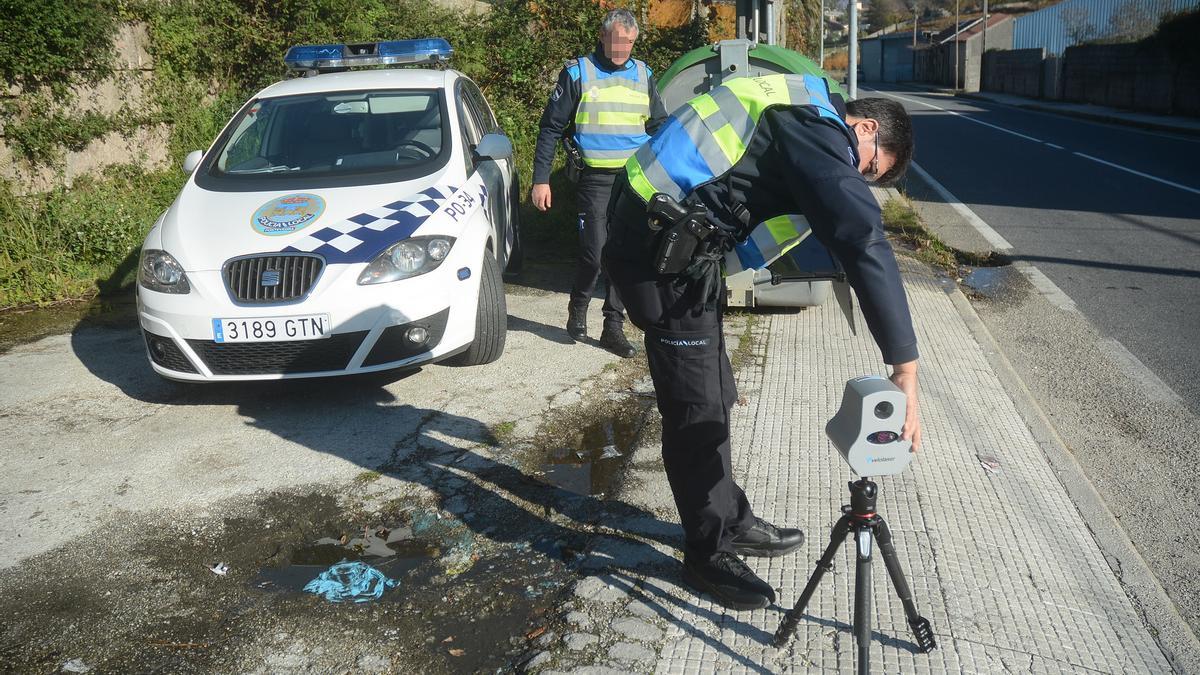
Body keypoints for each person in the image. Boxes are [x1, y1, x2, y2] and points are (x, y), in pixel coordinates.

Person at [604, 74, 923, 610]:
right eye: (870, 167)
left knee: (717, 394)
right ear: (864, 128)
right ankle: (707, 552)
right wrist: (905, 366)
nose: (860, 177)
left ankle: (732, 518)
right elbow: (860, 234)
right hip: (657, 261)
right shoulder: (813, 126)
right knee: (695, 411)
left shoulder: (797, 109)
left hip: (682, 256)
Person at [530, 8, 668, 358]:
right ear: (603, 36)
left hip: (634, 182)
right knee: (595, 253)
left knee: (624, 254)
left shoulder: (644, 74)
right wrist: (541, 180)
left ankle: (612, 326)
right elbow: (550, 129)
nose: (623, 49)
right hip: (595, 180)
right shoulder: (578, 72)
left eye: (630, 42)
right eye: (617, 41)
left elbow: (659, 127)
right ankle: (578, 307)